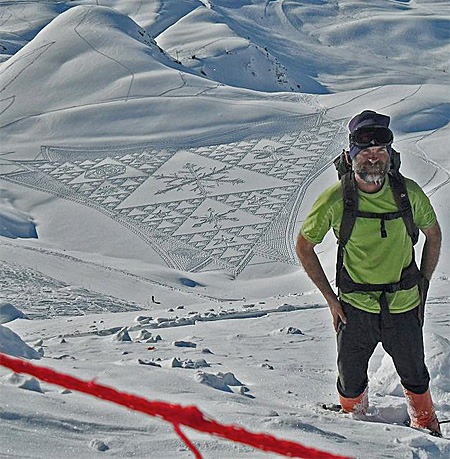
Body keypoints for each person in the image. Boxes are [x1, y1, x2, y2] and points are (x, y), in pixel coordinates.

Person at [296, 110, 442, 436]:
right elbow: (304, 246)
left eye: (380, 151)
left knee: (416, 376)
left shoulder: (409, 193)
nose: (374, 158)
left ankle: (427, 427)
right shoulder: (336, 198)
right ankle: (357, 432)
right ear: (351, 155)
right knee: (349, 382)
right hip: (355, 307)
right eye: (366, 151)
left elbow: (433, 234)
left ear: (390, 155)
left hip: (403, 304)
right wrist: (332, 301)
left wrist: (424, 286)